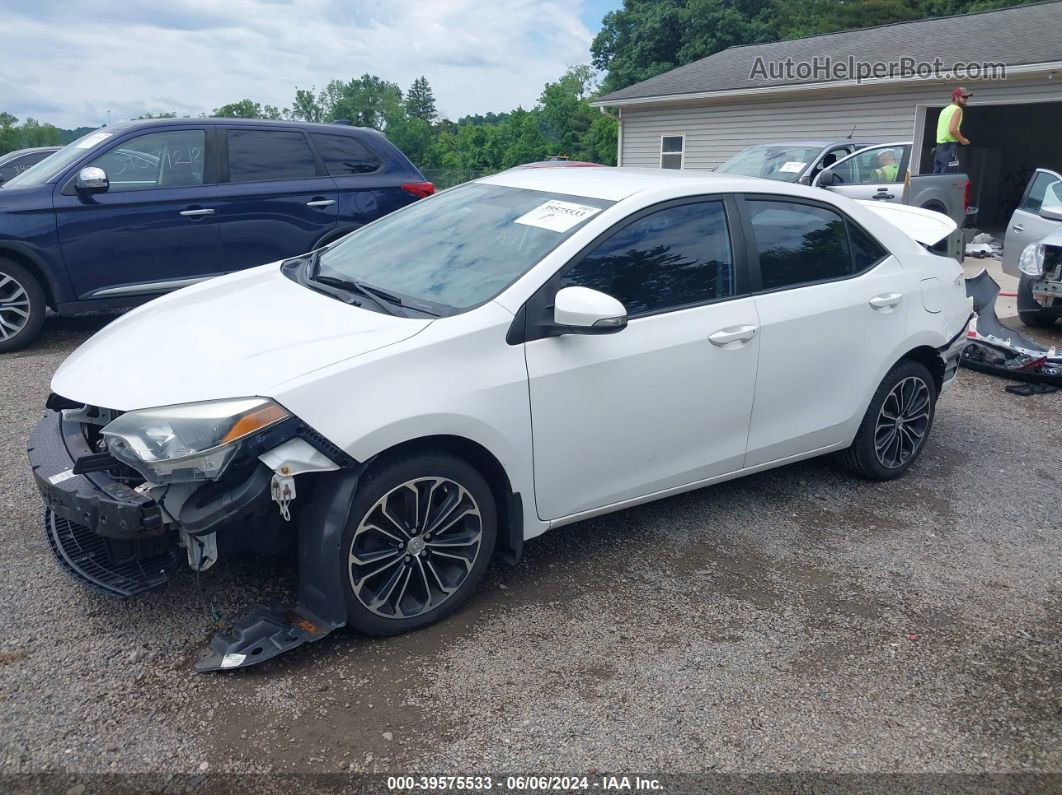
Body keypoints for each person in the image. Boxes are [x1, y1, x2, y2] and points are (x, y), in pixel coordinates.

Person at [934, 87, 971, 174]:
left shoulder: (944, 110)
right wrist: (963, 141)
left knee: (937, 177)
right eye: (963, 97)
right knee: (948, 178)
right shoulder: (957, 110)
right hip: (948, 148)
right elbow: (952, 130)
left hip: (939, 148)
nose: (966, 99)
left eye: (967, 97)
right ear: (956, 97)